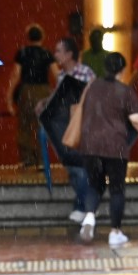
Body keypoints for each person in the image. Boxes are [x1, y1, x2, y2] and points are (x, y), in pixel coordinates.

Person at [76, 52, 138, 248]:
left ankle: (88, 218)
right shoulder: (125, 91)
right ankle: (115, 232)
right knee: (117, 189)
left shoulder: (92, 86)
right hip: (115, 146)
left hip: (90, 145)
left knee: (94, 184)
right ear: (122, 70)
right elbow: (136, 119)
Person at [39, 37, 96, 224]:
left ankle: (83, 207)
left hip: (83, 129)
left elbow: (93, 100)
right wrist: (46, 104)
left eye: (58, 51)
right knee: (74, 169)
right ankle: (87, 206)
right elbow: (58, 102)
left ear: (69, 54)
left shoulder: (86, 73)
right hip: (66, 131)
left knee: (80, 170)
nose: (55, 55)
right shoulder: (62, 77)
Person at [6, 23, 56, 167]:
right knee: (42, 125)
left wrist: (9, 96)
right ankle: (41, 160)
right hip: (44, 91)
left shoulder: (22, 53)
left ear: (28, 37)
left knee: (25, 125)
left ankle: (27, 158)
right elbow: (56, 73)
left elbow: (16, 74)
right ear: (42, 37)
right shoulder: (47, 53)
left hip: (26, 90)